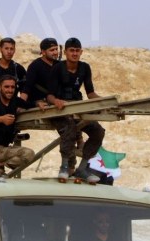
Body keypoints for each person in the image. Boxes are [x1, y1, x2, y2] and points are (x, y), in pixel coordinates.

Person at [46, 37, 105, 183]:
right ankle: (64, 167)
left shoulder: (85, 68)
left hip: (78, 107)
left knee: (98, 131)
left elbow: (90, 93)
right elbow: (49, 95)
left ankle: (82, 168)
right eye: (71, 50)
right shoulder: (57, 68)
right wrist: (56, 101)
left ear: (81, 52)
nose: (74, 53)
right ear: (66, 52)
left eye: (77, 51)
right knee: (70, 126)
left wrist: (104, 102)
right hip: (60, 109)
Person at [21, 37, 60, 109]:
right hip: (40, 104)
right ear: (43, 52)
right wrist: (20, 106)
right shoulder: (35, 66)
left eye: (56, 49)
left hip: (56, 102)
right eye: (52, 50)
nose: (55, 52)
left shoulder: (59, 65)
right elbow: (26, 89)